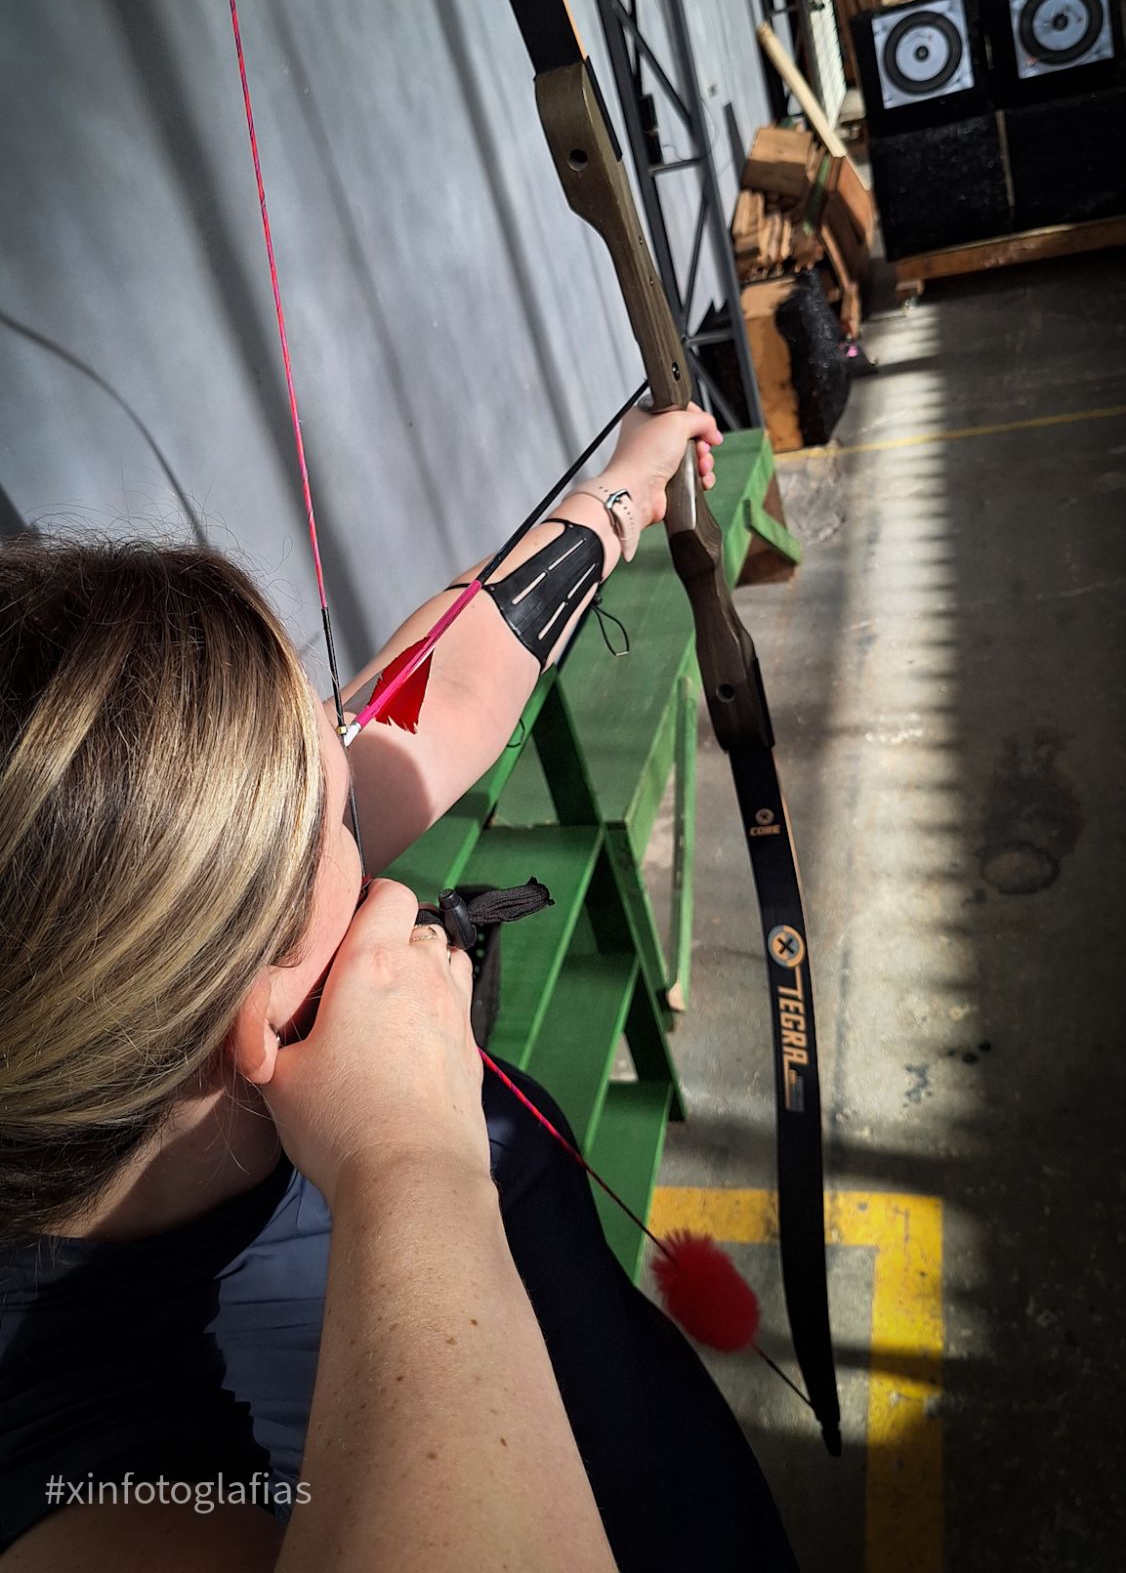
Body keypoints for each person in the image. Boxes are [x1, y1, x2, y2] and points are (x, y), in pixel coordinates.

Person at [0, 403, 799, 1571]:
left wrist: (626, 486)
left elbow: (451, 684)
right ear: (248, 1016)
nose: (356, 768)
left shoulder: (218, 944)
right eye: (334, 813)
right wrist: (406, 1164)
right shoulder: (71, 1468)